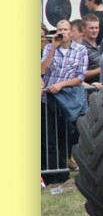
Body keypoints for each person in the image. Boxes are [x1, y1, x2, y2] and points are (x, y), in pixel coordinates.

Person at [40, 19, 88, 179]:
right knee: (49, 138)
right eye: (59, 29)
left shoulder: (80, 50)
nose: (62, 32)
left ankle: (63, 171)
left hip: (69, 99)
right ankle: (52, 175)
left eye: (65, 29)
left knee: (68, 134)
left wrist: (61, 85)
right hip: (49, 99)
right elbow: (42, 69)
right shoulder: (49, 47)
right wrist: (53, 48)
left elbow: (80, 77)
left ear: (71, 32)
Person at [80, 14, 103, 83]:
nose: (94, 30)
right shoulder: (81, 48)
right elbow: (80, 74)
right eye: (91, 28)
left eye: (96, 28)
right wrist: (100, 69)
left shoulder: (98, 46)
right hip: (90, 87)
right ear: (83, 29)